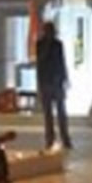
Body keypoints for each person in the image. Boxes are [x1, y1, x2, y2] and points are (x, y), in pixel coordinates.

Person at [35, 20, 71, 150]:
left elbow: (62, 62)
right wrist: (39, 85)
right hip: (46, 82)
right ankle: (50, 139)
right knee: (48, 114)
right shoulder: (40, 44)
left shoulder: (58, 44)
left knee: (61, 112)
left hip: (57, 82)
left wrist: (65, 78)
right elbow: (40, 63)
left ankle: (65, 138)